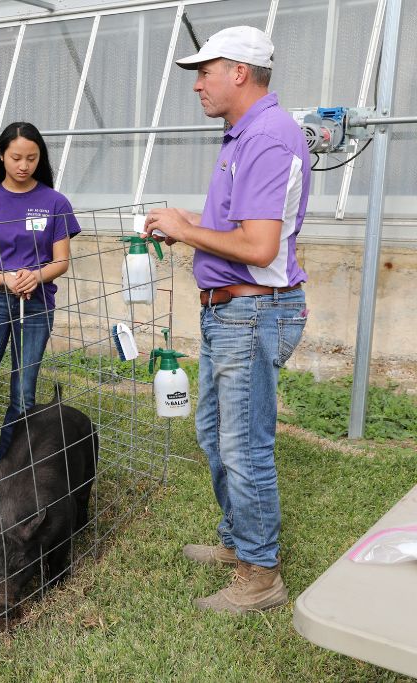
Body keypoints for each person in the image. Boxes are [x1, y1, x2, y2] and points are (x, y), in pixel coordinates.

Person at [144, 26, 309, 614]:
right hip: (232, 311)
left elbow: (260, 246)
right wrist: (189, 219)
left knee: (243, 447)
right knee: (216, 435)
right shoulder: (244, 135)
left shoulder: (266, 138)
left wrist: (186, 229)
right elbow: (242, 229)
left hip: (252, 311)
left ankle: (260, 576)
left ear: (239, 72)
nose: (197, 84)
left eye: (205, 71)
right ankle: (242, 541)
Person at [0, 122, 80, 458]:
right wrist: (8, 278)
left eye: (31, 158)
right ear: (2, 156)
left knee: (24, 394)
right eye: (16, 158)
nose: (24, 165)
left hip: (37, 305)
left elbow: (61, 261)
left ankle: (6, 466)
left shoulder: (54, 202)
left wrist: (36, 276)